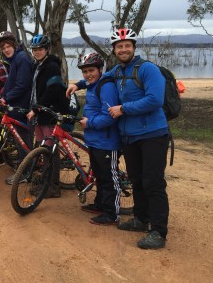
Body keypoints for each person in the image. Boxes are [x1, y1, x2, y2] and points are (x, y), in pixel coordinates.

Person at [68, 28, 170, 249]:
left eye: (127, 45)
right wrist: (78, 84)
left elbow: (155, 100)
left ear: (133, 47)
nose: (123, 49)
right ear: (114, 50)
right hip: (130, 137)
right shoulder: (117, 71)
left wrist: (123, 108)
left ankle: (159, 231)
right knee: (137, 180)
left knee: (153, 182)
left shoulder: (148, 69)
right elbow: (96, 77)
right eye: (119, 46)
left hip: (153, 134)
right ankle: (141, 219)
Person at [75, 52, 122, 225]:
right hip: (95, 140)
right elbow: (86, 83)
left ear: (100, 69)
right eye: (85, 71)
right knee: (100, 176)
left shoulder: (106, 86)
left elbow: (110, 116)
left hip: (107, 141)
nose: (88, 75)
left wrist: (90, 123)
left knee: (109, 178)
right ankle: (100, 205)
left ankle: (112, 213)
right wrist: (78, 84)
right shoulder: (92, 85)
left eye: (91, 70)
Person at [25, 34, 69, 197]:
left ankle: (53, 186)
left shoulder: (51, 66)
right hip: (39, 114)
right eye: (35, 50)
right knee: (43, 148)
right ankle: (45, 179)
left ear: (47, 50)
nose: (37, 52)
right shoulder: (39, 65)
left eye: (40, 49)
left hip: (48, 113)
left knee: (51, 150)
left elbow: (53, 91)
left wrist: (36, 108)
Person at [0, 31, 34, 185]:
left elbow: (23, 84)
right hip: (16, 105)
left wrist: (7, 98)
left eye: (8, 46)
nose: (6, 49)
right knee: (20, 139)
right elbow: (11, 83)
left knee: (22, 140)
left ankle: (25, 173)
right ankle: (24, 168)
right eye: (3, 47)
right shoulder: (14, 59)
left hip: (22, 106)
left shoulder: (22, 58)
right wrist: (2, 97)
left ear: (14, 45)